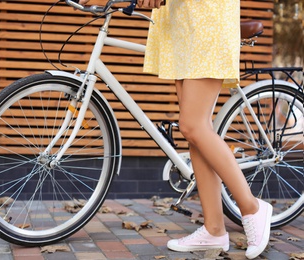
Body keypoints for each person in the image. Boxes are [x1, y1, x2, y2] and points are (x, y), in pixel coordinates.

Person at [79, 0, 273, 259]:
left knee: (193, 126)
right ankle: (214, 229)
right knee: (195, 130)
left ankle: (252, 208)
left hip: (207, 18)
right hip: (183, 21)